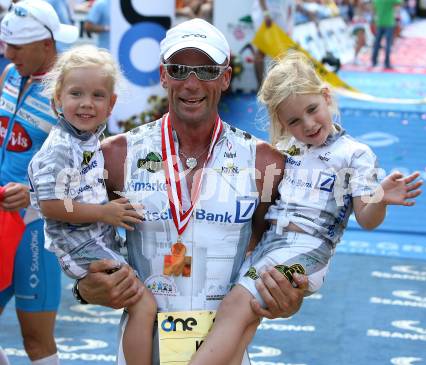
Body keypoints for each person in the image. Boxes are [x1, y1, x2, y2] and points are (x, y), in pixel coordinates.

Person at [74, 18, 308, 365]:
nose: (192, 84)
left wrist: (290, 296)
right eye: (180, 69)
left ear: (226, 77)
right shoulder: (118, 155)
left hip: (224, 349)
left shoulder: (264, 163)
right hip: (142, 346)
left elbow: (280, 255)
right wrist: (83, 289)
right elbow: (85, 248)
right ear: (163, 75)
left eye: (207, 71)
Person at [188, 50, 423, 365]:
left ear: (326, 96)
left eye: (313, 109)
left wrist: (379, 196)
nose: (309, 124)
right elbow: (262, 206)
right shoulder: (284, 150)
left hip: (308, 252)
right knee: (245, 319)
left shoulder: (355, 154)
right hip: (269, 247)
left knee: (234, 307)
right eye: (294, 121)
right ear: (282, 123)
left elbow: (367, 219)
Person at [28, 44, 156, 365]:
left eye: (98, 95)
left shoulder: (86, 137)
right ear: (57, 97)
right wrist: (105, 212)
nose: (87, 104)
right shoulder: (58, 148)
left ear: (111, 104)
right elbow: (51, 206)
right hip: (79, 246)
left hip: (97, 237)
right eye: (76, 94)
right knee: (144, 303)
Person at [0, 1, 78, 364]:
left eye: (17, 46)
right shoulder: (11, 75)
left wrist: (32, 194)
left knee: (36, 342)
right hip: (2, 223)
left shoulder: (69, 92)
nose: (7, 52)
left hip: (34, 229)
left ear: (47, 44)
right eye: (6, 43)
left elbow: (86, 172)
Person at [252, 0, 294, 88]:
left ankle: (276, 86)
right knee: (261, 50)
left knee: (280, 52)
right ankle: (260, 87)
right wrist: (266, 13)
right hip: (264, 13)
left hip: (279, 12)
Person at [371, 0, 402, 69]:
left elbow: (373, 10)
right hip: (389, 23)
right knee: (388, 44)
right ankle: (387, 63)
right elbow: (399, 3)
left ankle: (374, 61)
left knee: (377, 43)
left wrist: (373, 20)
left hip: (379, 22)